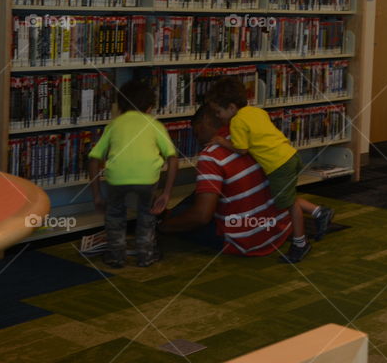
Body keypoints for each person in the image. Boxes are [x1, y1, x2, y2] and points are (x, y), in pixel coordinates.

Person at [206, 77, 333, 263]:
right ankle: (319, 212)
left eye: (218, 112)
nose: (218, 116)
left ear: (232, 108)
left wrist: (221, 141)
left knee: (289, 204)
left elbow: (242, 149)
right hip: (290, 155)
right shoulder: (256, 111)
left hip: (278, 165)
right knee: (286, 195)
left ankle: (300, 243)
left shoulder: (237, 122)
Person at [158, 105, 294, 256]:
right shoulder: (248, 136)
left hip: (246, 240)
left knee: (184, 215)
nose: (196, 139)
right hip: (279, 228)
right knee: (197, 196)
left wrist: (165, 227)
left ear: (204, 122)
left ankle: (162, 221)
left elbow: (201, 217)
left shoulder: (211, 155)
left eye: (195, 132)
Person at [88, 80, 178, 268]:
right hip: (147, 178)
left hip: (117, 177)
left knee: (114, 214)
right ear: (151, 106)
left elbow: (94, 159)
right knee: (147, 213)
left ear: (120, 105)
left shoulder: (114, 125)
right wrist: (167, 193)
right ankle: (146, 255)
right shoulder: (155, 125)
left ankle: (115, 255)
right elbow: (172, 158)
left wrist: (96, 195)